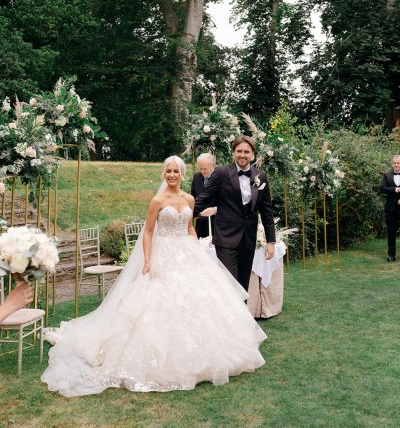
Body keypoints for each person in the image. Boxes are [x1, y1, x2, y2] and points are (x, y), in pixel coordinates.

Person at [41, 155, 266, 396]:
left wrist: (195, 248)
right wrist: (147, 259)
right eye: (168, 171)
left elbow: (190, 227)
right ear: (164, 174)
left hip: (187, 252)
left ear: (182, 174)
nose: (171, 175)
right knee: (157, 302)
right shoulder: (157, 200)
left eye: (176, 171)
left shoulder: (189, 198)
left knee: (198, 301)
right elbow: (148, 233)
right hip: (163, 253)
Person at [194, 135, 276, 292]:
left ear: (252, 154)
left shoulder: (261, 176)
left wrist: (270, 241)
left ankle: (243, 316)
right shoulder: (221, 173)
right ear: (234, 153)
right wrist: (183, 215)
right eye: (239, 151)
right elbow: (203, 200)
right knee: (230, 285)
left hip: (248, 239)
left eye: (246, 151)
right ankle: (229, 317)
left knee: (243, 286)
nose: (242, 155)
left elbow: (267, 212)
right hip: (226, 238)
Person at [191, 152, 216, 238]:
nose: (202, 172)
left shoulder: (221, 177)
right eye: (200, 168)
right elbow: (193, 198)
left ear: (213, 165)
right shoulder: (197, 177)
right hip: (200, 225)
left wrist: (215, 210)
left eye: (205, 169)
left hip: (217, 225)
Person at [381, 154, 400, 261]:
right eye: (395, 163)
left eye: (398, 163)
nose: (396, 165)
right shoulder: (386, 175)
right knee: (391, 233)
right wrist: (395, 190)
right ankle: (391, 255)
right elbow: (382, 188)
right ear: (392, 164)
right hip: (390, 209)